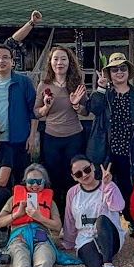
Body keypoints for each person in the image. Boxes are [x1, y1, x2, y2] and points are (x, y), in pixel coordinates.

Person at [85, 52, 134, 217]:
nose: (119, 72)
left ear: (128, 71)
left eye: (122, 68)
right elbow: (94, 109)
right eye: (114, 69)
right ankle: (104, 219)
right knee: (104, 185)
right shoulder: (105, 94)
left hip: (129, 148)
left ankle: (130, 218)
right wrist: (100, 88)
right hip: (106, 148)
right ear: (109, 73)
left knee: (128, 186)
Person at [62, 156, 126, 267]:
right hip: (86, 238)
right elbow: (70, 220)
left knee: (102, 220)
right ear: (74, 176)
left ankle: (109, 265)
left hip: (109, 236)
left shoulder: (107, 185)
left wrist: (108, 186)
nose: (85, 175)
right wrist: (67, 242)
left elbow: (119, 205)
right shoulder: (73, 193)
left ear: (93, 167)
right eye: (79, 173)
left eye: (87, 170)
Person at [36, 45, 88, 204]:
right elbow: (36, 112)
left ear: (69, 62)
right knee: (53, 174)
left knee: (72, 174)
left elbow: (86, 112)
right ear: (50, 62)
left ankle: (73, 207)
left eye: (63, 59)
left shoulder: (76, 84)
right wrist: (46, 107)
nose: (59, 62)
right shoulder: (44, 85)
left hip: (74, 136)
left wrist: (77, 105)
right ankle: (55, 209)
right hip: (52, 137)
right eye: (56, 59)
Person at [0, 43, 38, 180]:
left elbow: (33, 111)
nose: (1, 61)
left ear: (12, 61)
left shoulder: (23, 82)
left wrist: (32, 136)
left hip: (19, 139)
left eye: (5, 57)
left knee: (21, 177)